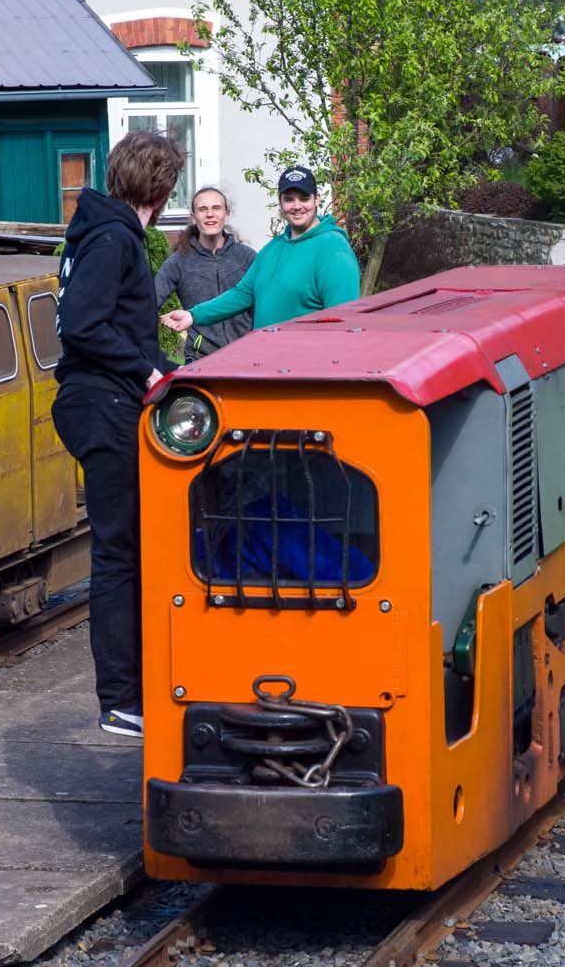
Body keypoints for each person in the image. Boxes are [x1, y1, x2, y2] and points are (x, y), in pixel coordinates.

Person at [52, 129, 186, 741]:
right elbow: (83, 326)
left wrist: (168, 368)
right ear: (160, 188)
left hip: (100, 400)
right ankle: (122, 698)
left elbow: (119, 328)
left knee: (128, 548)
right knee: (117, 553)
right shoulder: (112, 238)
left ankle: (137, 686)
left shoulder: (99, 232)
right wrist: (147, 370)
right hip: (104, 403)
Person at [160, 167, 361, 341]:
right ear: (280, 203)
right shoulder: (273, 248)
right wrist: (194, 316)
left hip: (305, 368)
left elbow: (342, 323)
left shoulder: (333, 250)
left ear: (317, 199)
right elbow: (243, 294)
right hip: (265, 363)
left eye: (304, 198)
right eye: (289, 199)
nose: (297, 206)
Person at [153, 186, 258, 361]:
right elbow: (149, 303)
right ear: (193, 217)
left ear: (227, 214)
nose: (210, 214)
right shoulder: (178, 262)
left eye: (216, 208)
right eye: (202, 209)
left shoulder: (247, 257)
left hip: (247, 357)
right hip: (199, 359)